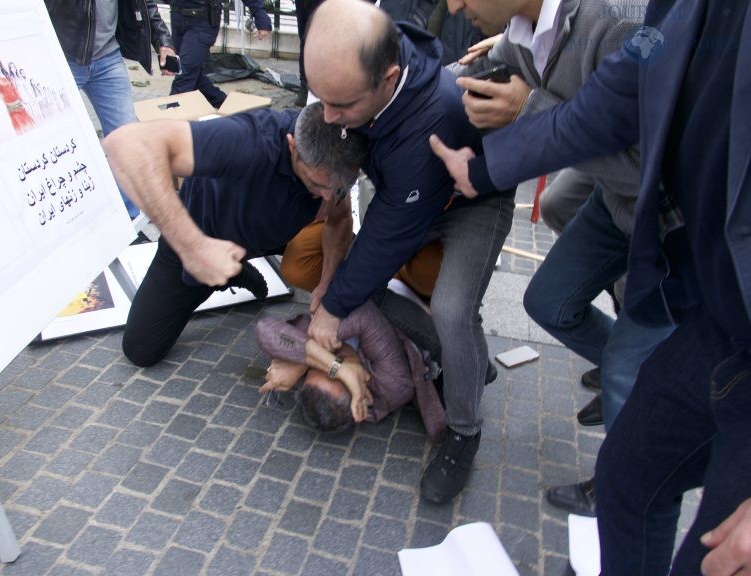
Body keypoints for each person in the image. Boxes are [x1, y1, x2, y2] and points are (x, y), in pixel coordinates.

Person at [430, 0, 751, 572]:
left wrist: (527, 109)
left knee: (709, 549)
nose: (452, 6)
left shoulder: (616, 16)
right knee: (552, 308)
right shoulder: (666, 16)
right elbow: (611, 100)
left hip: (676, 240)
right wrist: (477, 155)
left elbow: (643, 158)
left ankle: (631, 370)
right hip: (704, 290)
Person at [302, 0, 515, 504]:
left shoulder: (429, 118)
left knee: (452, 310)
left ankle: (463, 432)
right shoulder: (368, 75)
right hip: (409, 192)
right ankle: (463, 360)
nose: (330, 118)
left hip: (473, 201)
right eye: (321, 100)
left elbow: (386, 234)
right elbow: (384, 226)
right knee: (358, 289)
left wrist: (332, 309)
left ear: (388, 78)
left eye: (342, 105)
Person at [102, 102, 369, 368]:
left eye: (340, 188)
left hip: (278, 231)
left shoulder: (336, 160)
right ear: (293, 147)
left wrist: (327, 284)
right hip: (207, 239)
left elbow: (339, 220)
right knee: (141, 349)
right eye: (317, 185)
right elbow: (124, 144)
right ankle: (227, 275)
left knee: (345, 268)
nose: (329, 197)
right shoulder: (250, 140)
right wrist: (192, 246)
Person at [44, 0, 176, 219]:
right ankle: (60, 223)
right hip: (62, 56)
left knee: (127, 140)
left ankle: (129, 218)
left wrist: (163, 41)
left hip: (107, 58)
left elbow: (144, 4)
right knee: (53, 144)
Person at [255, 294, 447, 440]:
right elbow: (362, 310)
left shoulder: (310, 373)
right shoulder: (393, 383)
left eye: (320, 368)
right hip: (405, 302)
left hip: (359, 288)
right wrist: (310, 356)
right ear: (361, 396)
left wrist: (303, 363)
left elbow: (263, 328)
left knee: (298, 266)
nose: (331, 363)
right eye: (338, 376)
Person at [169, 0, 271, 108]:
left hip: (202, 21)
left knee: (185, 74)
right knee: (191, 74)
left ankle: (169, 118)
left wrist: (261, 15)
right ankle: (228, 105)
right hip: (177, 16)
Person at [0, 55, 35, 134]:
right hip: (12, 108)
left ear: (0, 64)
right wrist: (10, 106)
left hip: (19, 105)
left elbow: (15, 90)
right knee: (23, 130)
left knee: (31, 127)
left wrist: (23, 102)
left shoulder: (7, 76)